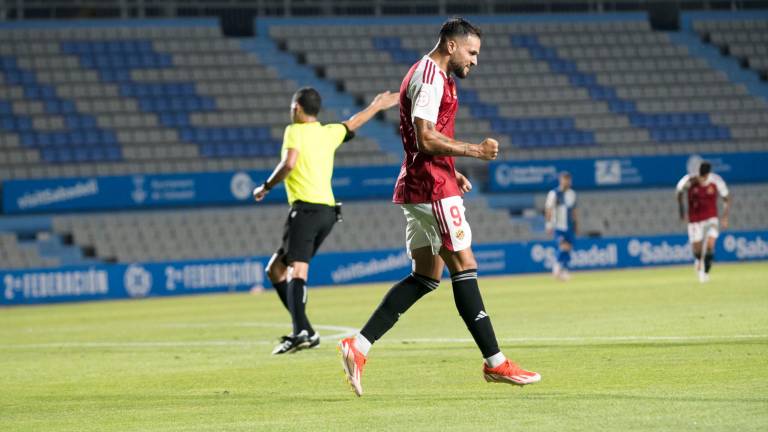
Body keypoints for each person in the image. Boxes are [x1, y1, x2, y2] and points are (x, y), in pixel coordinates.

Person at [338, 17, 540, 397]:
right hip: (431, 187)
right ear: (451, 45)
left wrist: (454, 168)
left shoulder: (432, 74)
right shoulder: (430, 76)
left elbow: (428, 141)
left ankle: (358, 346)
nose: (475, 61)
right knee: (464, 266)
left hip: (423, 182)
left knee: (426, 276)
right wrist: (474, 151)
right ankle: (496, 363)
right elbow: (426, 137)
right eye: (472, 52)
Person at [253, 86, 399, 354]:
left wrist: (265, 186)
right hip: (328, 213)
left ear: (296, 107)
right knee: (275, 269)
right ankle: (306, 329)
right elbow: (353, 122)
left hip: (307, 210)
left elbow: (289, 163)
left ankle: (300, 333)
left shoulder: (293, 131)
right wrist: (377, 105)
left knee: (297, 270)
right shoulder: (328, 132)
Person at [676, 161, 730, 283]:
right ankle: (698, 260)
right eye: (701, 175)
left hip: (711, 218)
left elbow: (726, 198)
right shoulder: (689, 181)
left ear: (708, 174)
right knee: (697, 250)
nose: (702, 178)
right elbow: (678, 192)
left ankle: (705, 273)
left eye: (704, 176)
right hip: (695, 219)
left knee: (710, 245)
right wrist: (681, 211)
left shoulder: (716, 181)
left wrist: (725, 217)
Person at [544, 171, 578, 281]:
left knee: (569, 248)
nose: (567, 181)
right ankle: (557, 268)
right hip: (558, 226)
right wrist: (548, 224)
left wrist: (576, 224)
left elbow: (573, 210)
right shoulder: (554, 193)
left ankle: (564, 270)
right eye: (565, 179)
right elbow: (549, 209)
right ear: (560, 180)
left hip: (569, 226)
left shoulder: (572, 194)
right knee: (564, 246)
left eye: (568, 179)